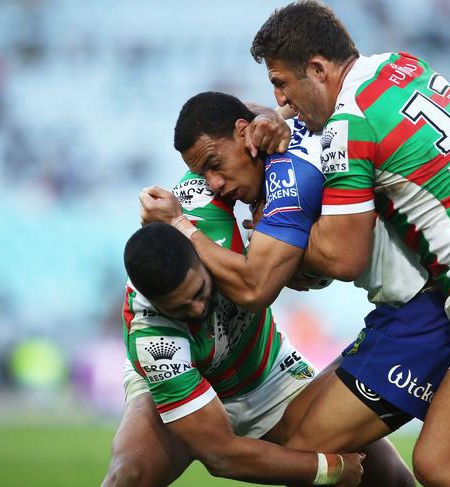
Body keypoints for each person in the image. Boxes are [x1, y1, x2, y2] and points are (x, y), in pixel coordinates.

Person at [249, 2, 450, 487]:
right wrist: (282, 124)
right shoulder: (401, 66)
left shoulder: (349, 123)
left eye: (282, 83)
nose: (280, 100)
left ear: (318, 69)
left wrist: (271, 228)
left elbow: (343, 258)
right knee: (441, 464)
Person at [138, 91, 450, 486]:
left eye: (215, 165)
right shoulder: (276, 144)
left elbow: (259, 287)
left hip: (420, 312)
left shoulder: (287, 171)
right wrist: (270, 114)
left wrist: (181, 227)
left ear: (245, 135)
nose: (215, 184)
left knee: (314, 453)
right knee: (437, 466)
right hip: (396, 313)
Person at [102, 173, 365, 487]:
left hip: (268, 371)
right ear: (156, 304)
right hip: (189, 385)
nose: (197, 309)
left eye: (200, 292)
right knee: (128, 476)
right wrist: (328, 469)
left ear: (200, 254)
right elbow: (220, 455)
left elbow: (230, 145)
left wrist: (275, 122)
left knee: (390, 478)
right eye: (180, 310)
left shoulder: (201, 205)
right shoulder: (152, 338)